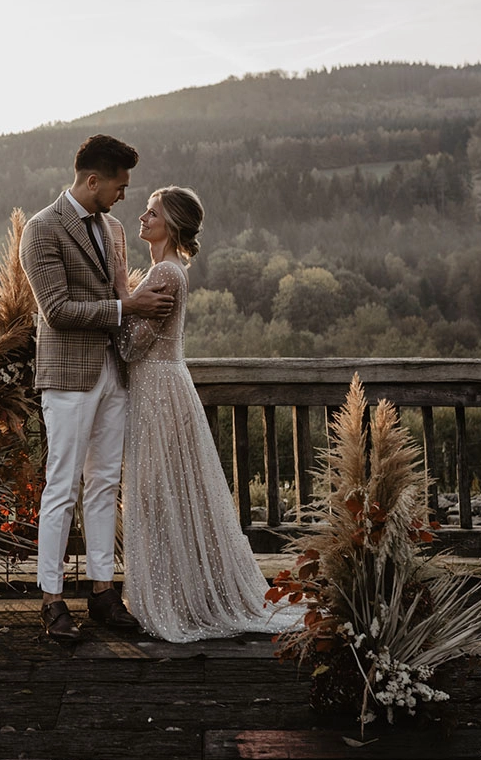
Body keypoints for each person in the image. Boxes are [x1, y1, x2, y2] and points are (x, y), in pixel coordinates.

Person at [114, 186, 303, 642]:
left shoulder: (164, 272)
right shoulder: (170, 269)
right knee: (170, 492)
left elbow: (130, 345)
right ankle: (174, 591)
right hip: (164, 385)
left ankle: (173, 599)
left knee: (159, 493)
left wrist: (120, 296)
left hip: (157, 390)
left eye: (152, 212)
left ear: (172, 224)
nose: (142, 216)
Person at [19, 135, 173, 641]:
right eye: (119, 185)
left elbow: (121, 294)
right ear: (92, 180)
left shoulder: (114, 228)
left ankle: (104, 593)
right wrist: (128, 308)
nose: (124, 195)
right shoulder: (41, 230)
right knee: (62, 487)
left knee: (106, 484)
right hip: (67, 377)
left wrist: (137, 311)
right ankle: (51, 600)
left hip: (114, 372)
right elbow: (58, 311)